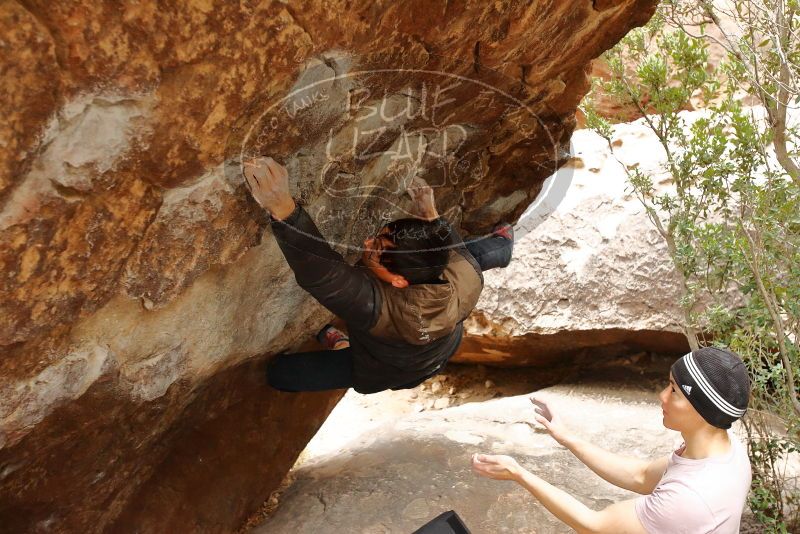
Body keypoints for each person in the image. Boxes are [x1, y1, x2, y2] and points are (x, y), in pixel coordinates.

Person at [242, 156, 514, 394]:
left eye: (378, 249)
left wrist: (283, 209)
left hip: (387, 367)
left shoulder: (378, 309)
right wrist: (430, 215)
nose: (368, 243)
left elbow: (325, 275)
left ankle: (343, 345)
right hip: (442, 345)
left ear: (399, 281)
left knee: (280, 374)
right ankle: (502, 247)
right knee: (472, 255)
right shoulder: (466, 275)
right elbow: (446, 244)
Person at [472, 347, 752, 534]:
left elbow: (593, 525)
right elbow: (640, 475)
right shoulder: (727, 451)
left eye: (674, 390)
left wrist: (518, 473)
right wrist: (567, 437)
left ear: (701, 409)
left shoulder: (689, 499)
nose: (662, 397)